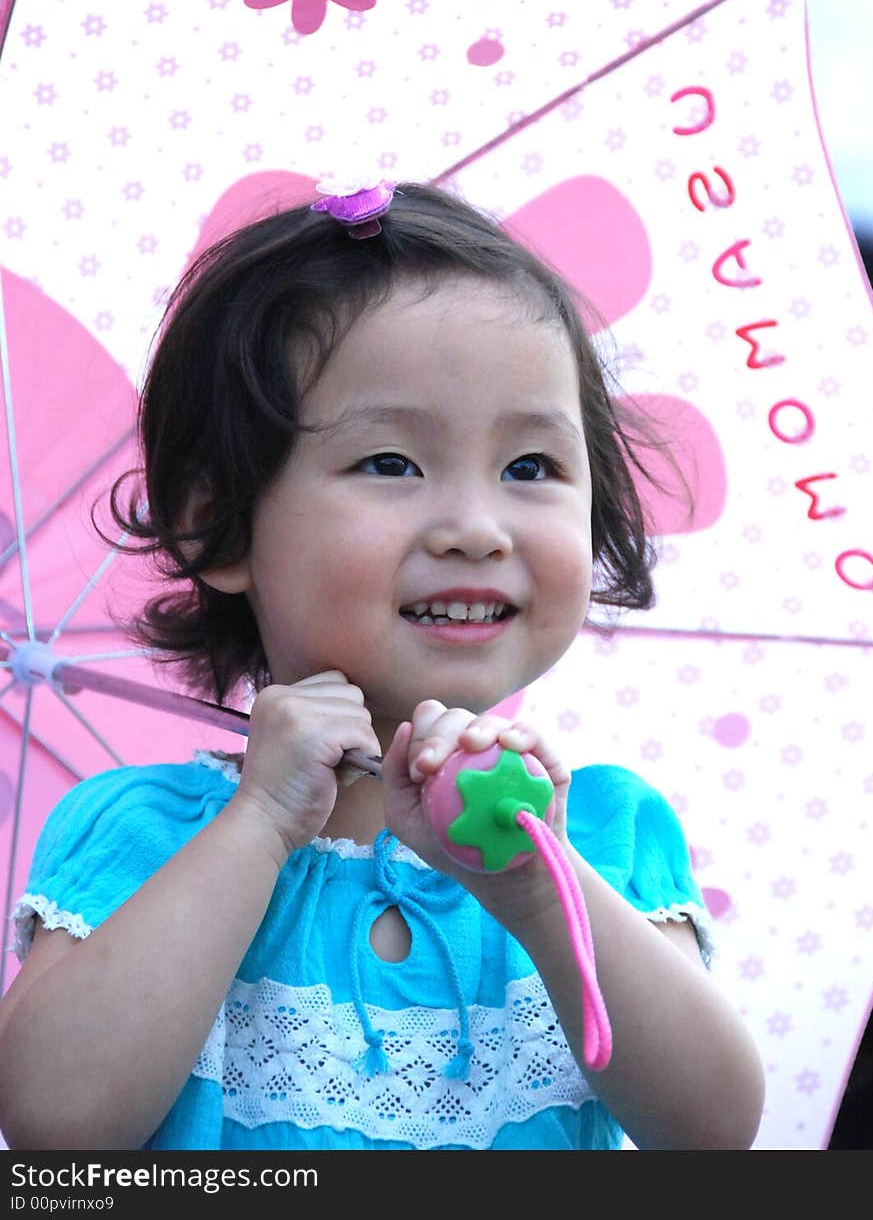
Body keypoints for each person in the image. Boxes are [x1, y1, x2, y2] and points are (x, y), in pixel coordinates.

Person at [0, 181, 765, 1151]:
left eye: (530, 466)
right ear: (216, 522)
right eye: (391, 462)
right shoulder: (144, 833)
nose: (475, 528)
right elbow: (60, 1130)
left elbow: (712, 1131)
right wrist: (263, 822)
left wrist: (537, 886)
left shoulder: (600, 834)